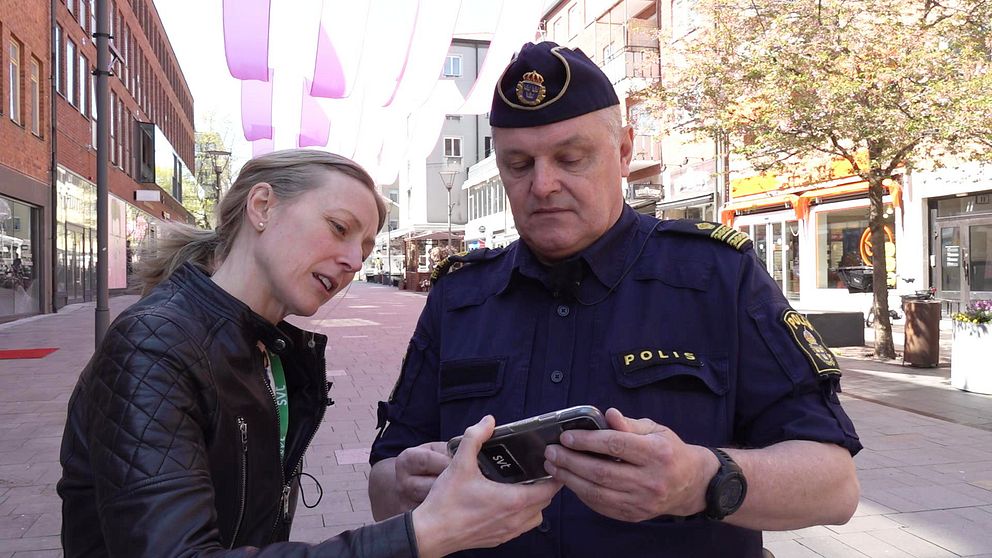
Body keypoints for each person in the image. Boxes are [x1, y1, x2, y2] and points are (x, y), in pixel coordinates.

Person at [368, 42, 862, 557]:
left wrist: (700, 482)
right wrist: (406, 486)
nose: (543, 184)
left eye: (570, 158)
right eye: (518, 165)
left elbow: (835, 485)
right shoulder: (460, 294)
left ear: (624, 152)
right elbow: (384, 484)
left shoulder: (716, 276)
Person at [57, 149, 561, 557]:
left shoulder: (267, 349)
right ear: (262, 206)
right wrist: (420, 535)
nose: (351, 261)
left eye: (363, 249)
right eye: (339, 228)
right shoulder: (155, 343)